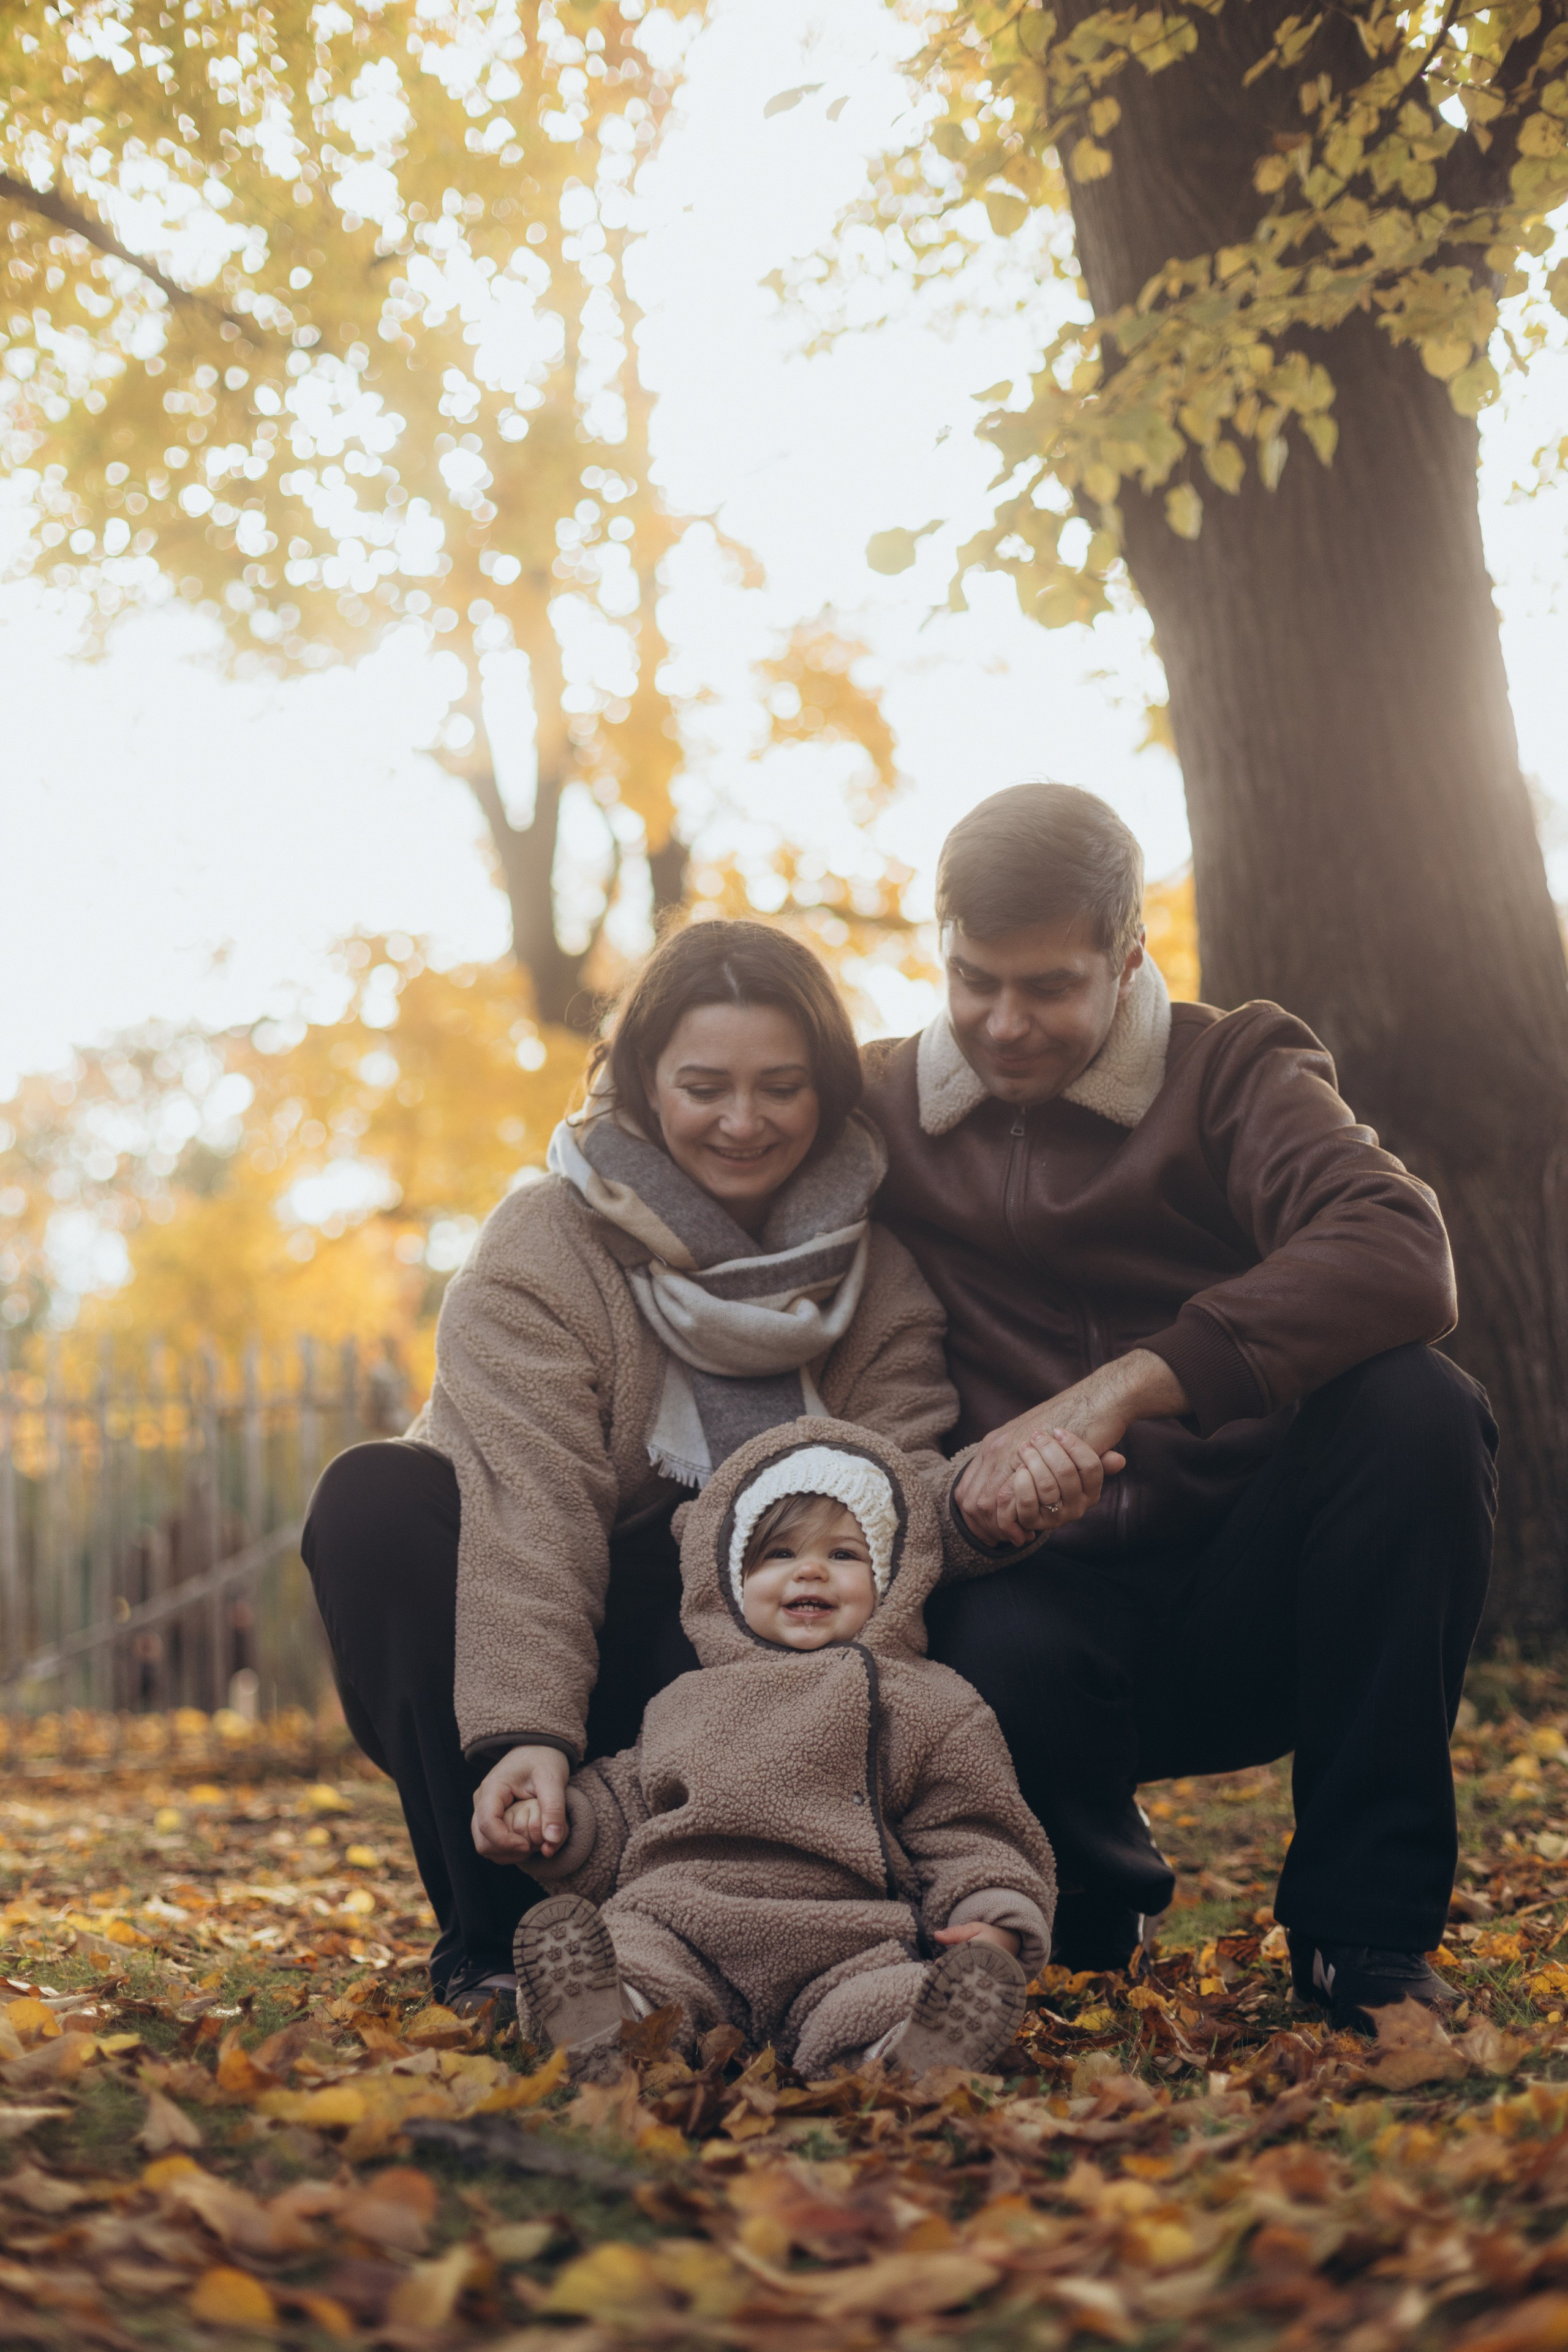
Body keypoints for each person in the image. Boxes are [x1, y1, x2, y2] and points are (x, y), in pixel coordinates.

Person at [303, 920, 1058, 2013]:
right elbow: (534, 1509)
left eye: (781, 1088)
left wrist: (984, 1509)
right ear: (644, 1083)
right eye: (705, 1086)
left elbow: (891, 1504)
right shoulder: (543, 1247)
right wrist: (528, 1732)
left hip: (766, 1665)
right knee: (373, 1496)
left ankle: (836, 1942)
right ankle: (500, 1945)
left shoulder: (877, 1272)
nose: (743, 1123)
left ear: (829, 1091)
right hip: (528, 1638)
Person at [861, 783, 1498, 2033]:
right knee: (996, 1641)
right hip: (1028, 1605)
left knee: (1416, 1407)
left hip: (1252, 1594)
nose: (1002, 1022)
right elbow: (694, 1135)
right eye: (972, 980)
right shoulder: (877, 1105)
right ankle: (1086, 1900)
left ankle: (1359, 1941)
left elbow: (1396, 1250)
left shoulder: (1230, 1069)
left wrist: (1125, 1388)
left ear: (1127, 953)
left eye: (1046, 986)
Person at [508, 1419, 1056, 2081]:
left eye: (846, 1555)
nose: (812, 1569)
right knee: (635, 1958)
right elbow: (625, 1804)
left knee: (880, 1998)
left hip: (845, 1938)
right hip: (685, 1920)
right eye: (778, 1554)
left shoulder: (927, 1701)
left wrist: (993, 1918)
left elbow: (973, 1827)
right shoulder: (684, 1700)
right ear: (731, 1580)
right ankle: (613, 2029)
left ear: (892, 1578)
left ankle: (902, 2054)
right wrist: (560, 1828)